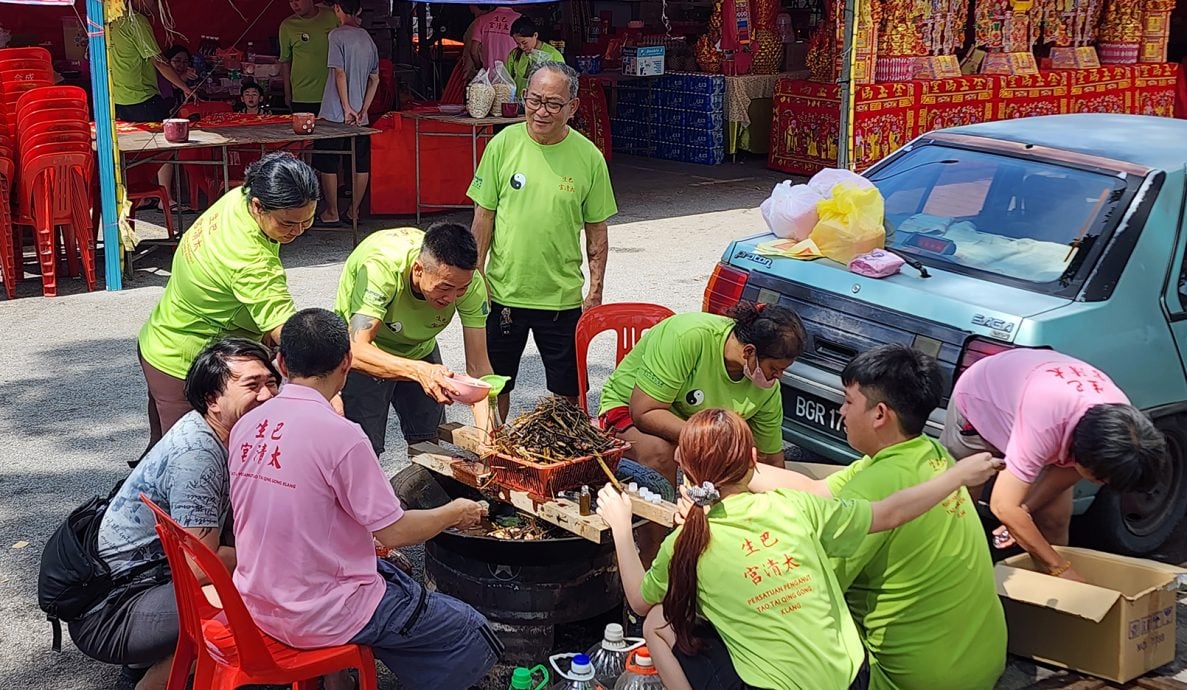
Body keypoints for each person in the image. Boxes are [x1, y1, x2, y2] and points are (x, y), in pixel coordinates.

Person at [597, 409, 1003, 690]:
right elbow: (890, 513)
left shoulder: (687, 541)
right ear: (753, 461)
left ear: (683, 463)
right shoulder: (796, 505)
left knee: (658, 625)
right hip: (854, 678)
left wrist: (620, 525)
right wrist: (958, 475)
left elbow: (638, 600)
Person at [229, 308, 503, 690]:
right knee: (469, 629)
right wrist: (457, 511)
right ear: (347, 362)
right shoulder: (342, 436)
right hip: (318, 615)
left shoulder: (245, 424)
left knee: (395, 579)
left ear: (281, 362)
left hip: (256, 601)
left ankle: (339, 677)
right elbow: (394, 532)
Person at [749, 344, 1006, 690]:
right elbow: (817, 492)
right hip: (980, 662)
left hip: (914, 680)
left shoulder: (877, 484)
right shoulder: (927, 453)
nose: (841, 411)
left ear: (880, 414)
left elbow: (810, 588)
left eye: (848, 401)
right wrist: (735, 470)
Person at [69, 339, 280, 690]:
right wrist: (279, 560)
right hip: (110, 612)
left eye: (271, 382)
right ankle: (148, 681)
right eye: (252, 386)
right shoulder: (198, 455)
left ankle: (148, 661)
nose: (267, 395)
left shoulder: (221, 433)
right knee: (255, 595)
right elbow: (201, 566)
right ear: (213, 400)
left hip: (141, 587)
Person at [136, 152, 318, 451]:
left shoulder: (241, 196)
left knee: (160, 458)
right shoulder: (250, 258)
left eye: (307, 220)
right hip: (184, 363)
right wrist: (323, 382)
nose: (298, 232)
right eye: (288, 223)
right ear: (258, 207)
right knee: (193, 464)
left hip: (161, 338)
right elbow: (285, 332)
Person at [468, 62, 615, 422]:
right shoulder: (502, 145)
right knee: (495, 385)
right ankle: (494, 454)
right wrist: (477, 275)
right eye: (534, 100)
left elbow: (597, 230)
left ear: (573, 107)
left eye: (552, 103)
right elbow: (483, 216)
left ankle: (565, 462)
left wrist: (595, 291)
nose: (540, 111)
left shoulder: (589, 158)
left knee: (567, 391)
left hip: (561, 300)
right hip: (504, 294)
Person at [939, 348, 1165, 582]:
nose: (1100, 484)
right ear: (1079, 454)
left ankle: (1050, 603)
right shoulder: (1045, 424)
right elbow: (1003, 506)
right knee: (961, 509)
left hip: (1040, 413)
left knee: (1053, 520)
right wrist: (1060, 568)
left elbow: (1068, 471)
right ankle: (953, 579)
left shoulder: (1120, 425)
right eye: (1100, 478)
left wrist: (1024, 511)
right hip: (982, 403)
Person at [599, 303, 805, 481]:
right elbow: (644, 412)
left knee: (737, 464)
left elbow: (769, 457)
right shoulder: (687, 336)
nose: (778, 377)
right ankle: (666, 526)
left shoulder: (767, 385)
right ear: (749, 352)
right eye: (774, 369)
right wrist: (710, 441)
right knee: (661, 454)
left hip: (694, 424)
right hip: (628, 408)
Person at [336, 224, 495, 456]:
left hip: (420, 349)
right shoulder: (382, 267)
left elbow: (479, 369)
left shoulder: (469, 284)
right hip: (369, 352)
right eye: (445, 288)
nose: (451, 298)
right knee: (362, 448)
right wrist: (419, 371)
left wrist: (487, 436)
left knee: (429, 440)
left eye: (461, 290)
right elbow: (356, 348)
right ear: (418, 270)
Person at [108, 0, 195, 197]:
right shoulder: (135, 21)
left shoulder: (108, 21)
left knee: (135, 153)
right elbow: (159, 61)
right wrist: (185, 88)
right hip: (142, 96)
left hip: (118, 99)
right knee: (164, 148)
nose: (155, 4)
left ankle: (144, 195)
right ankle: (164, 196)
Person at [315, 0, 380, 226]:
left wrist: (346, 108)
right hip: (361, 118)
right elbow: (375, 79)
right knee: (360, 164)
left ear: (337, 9)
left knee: (328, 163)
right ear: (359, 10)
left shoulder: (336, 35)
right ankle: (354, 211)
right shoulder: (368, 39)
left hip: (335, 114)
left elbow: (339, 73)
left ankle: (332, 211)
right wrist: (363, 110)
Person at [279, 0, 339, 113]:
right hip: (302, 94)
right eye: (291, 1)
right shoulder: (287, 25)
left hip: (332, 92)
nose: (294, 5)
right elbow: (285, 61)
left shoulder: (332, 16)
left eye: (298, 0)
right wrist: (287, 94)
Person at [506, 17, 564, 96]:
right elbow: (507, 78)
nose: (521, 47)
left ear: (535, 35)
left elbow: (560, 83)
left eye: (524, 42)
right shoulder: (515, 54)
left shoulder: (553, 55)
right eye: (518, 43)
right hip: (519, 100)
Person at [468, 4, 521, 76]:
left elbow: (473, 51)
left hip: (488, 76)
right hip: (511, 75)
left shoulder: (482, 20)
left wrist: (480, 68)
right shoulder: (520, 19)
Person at [158, 45, 198, 112]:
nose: (181, 65)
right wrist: (183, 78)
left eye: (185, 62)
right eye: (177, 61)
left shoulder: (187, 75)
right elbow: (171, 88)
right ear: (168, 62)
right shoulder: (161, 77)